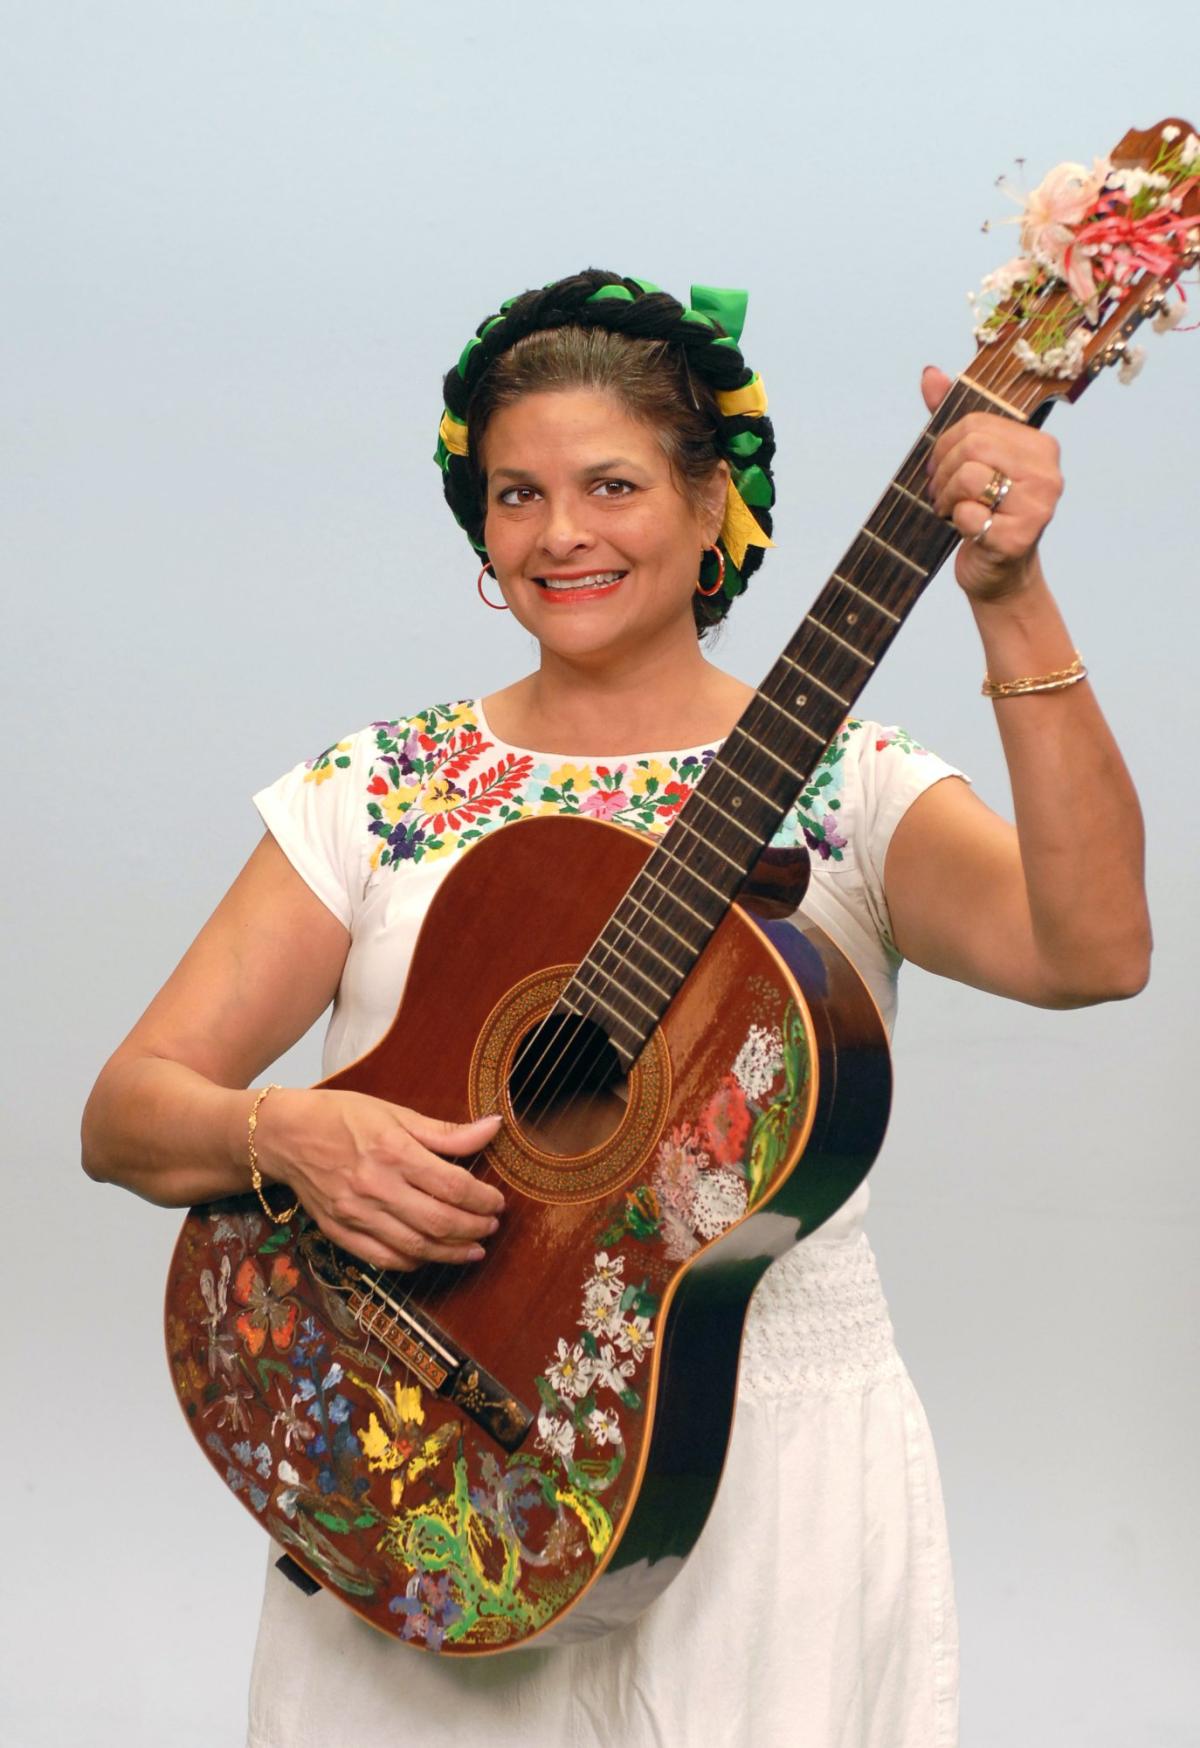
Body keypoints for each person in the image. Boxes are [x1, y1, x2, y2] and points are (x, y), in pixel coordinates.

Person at [82, 268, 1151, 1748]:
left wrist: (1011, 597)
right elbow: (128, 1113)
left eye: (610, 484)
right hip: (426, 1430)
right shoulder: (382, 792)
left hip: (765, 1456)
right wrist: (288, 1134)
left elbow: (1092, 950)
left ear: (715, 505)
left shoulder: (849, 785)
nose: (561, 532)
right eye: (515, 494)